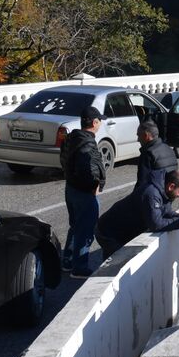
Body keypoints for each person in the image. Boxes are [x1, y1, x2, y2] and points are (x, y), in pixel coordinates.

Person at [90, 169, 179, 274]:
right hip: (108, 233)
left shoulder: (163, 191)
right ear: (171, 186)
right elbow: (156, 225)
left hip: (119, 231)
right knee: (118, 268)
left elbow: (167, 213)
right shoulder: (151, 194)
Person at [59, 105, 105, 273]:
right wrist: (94, 186)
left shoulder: (72, 138)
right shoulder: (87, 143)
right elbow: (89, 169)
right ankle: (79, 267)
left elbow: (63, 160)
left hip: (70, 188)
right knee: (85, 230)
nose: (100, 124)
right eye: (99, 121)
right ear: (94, 122)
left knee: (75, 225)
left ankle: (68, 260)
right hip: (84, 193)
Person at [135, 119, 178, 193]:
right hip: (169, 193)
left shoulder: (148, 154)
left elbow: (142, 182)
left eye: (139, 135)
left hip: (154, 196)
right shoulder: (169, 149)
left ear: (146, 135)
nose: (138, 139)